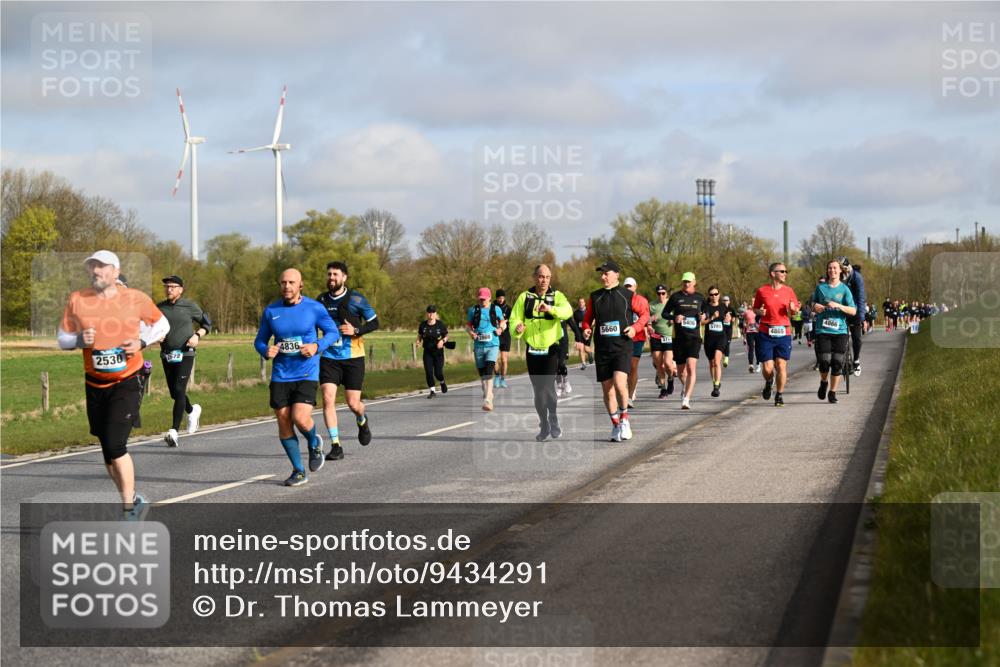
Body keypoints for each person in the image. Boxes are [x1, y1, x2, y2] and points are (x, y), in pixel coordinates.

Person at [58, 250, 170, 518]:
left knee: (116, 444)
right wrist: (78, 341)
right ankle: (131, 498)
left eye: (102, 267)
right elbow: (62, 338)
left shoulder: (135, 298)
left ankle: (129, 510)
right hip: (95, 384)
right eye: (92, 267)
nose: (96, 271)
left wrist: (142, 342)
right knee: (107, 450)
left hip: (127, 380)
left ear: (116, 272)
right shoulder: (78, 299)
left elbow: (162, 324)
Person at [255, 268, 340, 485]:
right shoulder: (271, 310)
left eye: (291, 282)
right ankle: (298, 470)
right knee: (284, 422)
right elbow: (260, 340)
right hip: (281, 374)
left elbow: (333, 333)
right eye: (283, 282)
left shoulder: (314, 308)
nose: (287, 286)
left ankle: (313, 442)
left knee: (300, 418)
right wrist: (266, 350)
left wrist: (316, 346)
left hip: (306, 372)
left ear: (300, 285)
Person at [317, 261, 379, 461]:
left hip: (353, 357)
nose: (331, 278)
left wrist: (356, 330)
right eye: (329, 274)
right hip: (329, 357)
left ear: (344, 277)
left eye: (335, 274)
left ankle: (362, 419)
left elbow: (375, 322)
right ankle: (336, 445)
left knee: (354, 404)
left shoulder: (356, 299)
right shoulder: (321, 300)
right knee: (328, 398)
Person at [581, 260, 648, 441]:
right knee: (607, 390)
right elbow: (587, 319)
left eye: (606, 273)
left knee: (619, 383)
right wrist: (586, 328)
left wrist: (636, 328)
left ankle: (625, 419)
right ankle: (615, 425)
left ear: (616, 274)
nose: (603, 277)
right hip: (603, 348)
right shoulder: (595, 297)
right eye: (601, 274)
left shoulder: (627, 295)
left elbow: (645, 314)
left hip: (622, 345)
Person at [508, 264, 573, 441]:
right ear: (534, 277)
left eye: (547, 277)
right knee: (538, 391)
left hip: (551, 348)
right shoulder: (524, 297)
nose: (543, 280)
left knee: (548, 387)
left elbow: (567, 312)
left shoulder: (556, 296)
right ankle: (543, 423)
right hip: (533, 350)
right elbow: (514, 319)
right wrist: (518, 328)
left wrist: (550, 309)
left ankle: (553, 418)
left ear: (550, 279)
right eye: (540, 276)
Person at [156, 275, 212, 447]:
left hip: (186, 352)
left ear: (180, 289)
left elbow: (207, 324)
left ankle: (173, 431)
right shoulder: (159, 308)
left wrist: (197, 335)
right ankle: (192, 410)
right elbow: (150, 326)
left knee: (180, 388)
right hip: (167, 354)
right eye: (167, 286)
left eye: (173, 286)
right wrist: (157, 334)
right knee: (175, 393)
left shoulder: (190, 306)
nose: (169, 289)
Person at [752, 262, 799, 407]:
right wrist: (760, 312)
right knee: (767, 368)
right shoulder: (762, 291)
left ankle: (779, 395)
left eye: (786, 271)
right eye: (782, 271)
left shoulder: (789, 291)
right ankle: (768, 381)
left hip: (783, 332)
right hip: (766, 332)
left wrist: (793, 310)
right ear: (773, 274)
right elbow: (755, 308)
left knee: (781, 365)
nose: (785, 274)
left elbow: (795, 310)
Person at [812, 259, 857, 403]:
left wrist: (839, 306)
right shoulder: (821, 288)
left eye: (835, 268)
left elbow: (853, 310)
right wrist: (816, 307)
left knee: (837, 363)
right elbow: (813, 305)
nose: (832, 270)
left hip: (840, 331)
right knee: (824, 362)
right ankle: (824, 382)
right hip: (823, 330)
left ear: (840, 271)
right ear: (827, 271)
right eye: (830, 268)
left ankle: (832, 392)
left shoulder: (844, 289)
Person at [665, 272, 706, 410]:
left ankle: (686, 399)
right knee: (682, 372)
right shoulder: (676, 297)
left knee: (691, 367)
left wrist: (704, 316)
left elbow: (707, 312)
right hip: (679, 338)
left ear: (694, 282)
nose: (686, 284)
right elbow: (665, 313)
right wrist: (674, 317)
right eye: (684, 282)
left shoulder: (700, 297)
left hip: (694, 338)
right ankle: (685, 386)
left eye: (689, 281)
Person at [467, 287, 507, 411]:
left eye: (484, 299)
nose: (482, 301)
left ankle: (488, 400)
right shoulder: (473, 310)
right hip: (479, 345)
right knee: (482, 373)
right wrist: (471, 333)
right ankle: (487, 392)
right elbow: (468, 326)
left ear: (489, 297)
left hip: (493, 344)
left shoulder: (496, 309)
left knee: (489, 370)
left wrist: (500, 329)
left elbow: (503, 322)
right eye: (480, 299)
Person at [623, 277, 650, 408]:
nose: (628, 289)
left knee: (633, 367)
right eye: (626, 286)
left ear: (635, 287)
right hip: (623, 338)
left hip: (637, 337)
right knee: (623, 368)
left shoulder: (641, 301)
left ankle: (629, 396)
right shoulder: (621, 300)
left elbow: (645, 317)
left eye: (630, 286)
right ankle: (626, 392)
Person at [838, 257, 866, 376]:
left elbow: (860, 298)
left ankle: (856, 360)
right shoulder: (835, 276)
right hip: (839, 309)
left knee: (857, 337)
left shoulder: (856, 277)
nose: (843, 272)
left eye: (845, 269)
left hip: (854, 309)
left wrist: (861, 317)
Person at [648, 284, 676, 398]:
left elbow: (679, 315)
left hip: (668, 336)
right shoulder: (651, 305)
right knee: (659, 364)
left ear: (667, 293)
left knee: (668, 364)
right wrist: (650, 321)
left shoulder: (672, 304)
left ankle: (670, 378)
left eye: (663, 293)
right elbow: (645, 318)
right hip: (656, 336)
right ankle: (663, 389)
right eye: (659, 293)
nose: (661, 295)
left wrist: (674, 320)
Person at [701, 286, 730, 397]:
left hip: (720, 338)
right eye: (711, 294)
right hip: (709, 338)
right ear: (709, 296)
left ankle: (716, 386)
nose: (714, 296)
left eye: (716, 294)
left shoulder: (723, 307)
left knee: (717, 361)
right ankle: (715, 382)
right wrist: (712, 318)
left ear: (719, 294)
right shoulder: (706, 307)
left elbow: (728, 319)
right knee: (711, 363)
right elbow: (702, 323)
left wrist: (728, 319)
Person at [417, 305, 449, 398]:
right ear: (427, 313)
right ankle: (432, 391)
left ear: (435, 314)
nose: (431, 314)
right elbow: (419, 335)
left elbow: (446, 336)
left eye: (433, 312)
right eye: (429, 312)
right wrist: (418, 342)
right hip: (427, 352)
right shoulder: (423, 325)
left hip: (438, 353)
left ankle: (442, 382)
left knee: (438, 373)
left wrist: (442, 341)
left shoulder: (440, 324)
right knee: (429, 372)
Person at [557, 313, 581, 397]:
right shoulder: (548, 311)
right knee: (555, 365)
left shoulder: (564, 312)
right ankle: (560, 386)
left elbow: (573, 326)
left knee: (561, 363)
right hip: (552, 342)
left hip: (563, 342)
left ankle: (566, 381)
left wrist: (578, 338)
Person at [493, 289, 513, 389]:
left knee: (504, 360)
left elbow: (512, 321)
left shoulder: (508, 309)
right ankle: (496, 376)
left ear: (504, 298)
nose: (500, 300)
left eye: (502, 298)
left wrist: (507, 322)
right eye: (499, 298)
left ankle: (503, 379)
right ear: (496, 298)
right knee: (494, 359)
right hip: (495, 335)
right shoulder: (492, 308)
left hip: (505, 336)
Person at [573, 297, 590, 370]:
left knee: (586, 348)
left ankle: (590, 353)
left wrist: (589, 327)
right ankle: (583, 364)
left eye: (582, 302)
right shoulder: (575, 313)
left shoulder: (588, 311)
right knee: (580, 348)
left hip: (588, 331)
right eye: (579, 302)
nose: (581, 304)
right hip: (579, 332)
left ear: (584, 303)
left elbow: (593, 321)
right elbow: (575, 324)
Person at [742, 306, 760, 373]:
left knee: (758, 349)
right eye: (752, 302)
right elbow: (744, 322)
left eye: (754, 302)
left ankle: (758, 364)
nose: (752, 304)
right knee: (751, 348)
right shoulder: (747, 312)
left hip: (758, 332)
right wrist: (744, 337)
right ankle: (751, 365)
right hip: (749, 332)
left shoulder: (759, 311)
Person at [721, 295, 736, 366]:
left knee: (727, 343)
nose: (725, 302)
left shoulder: (731, 309)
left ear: (729, 301)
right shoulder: (720, 308)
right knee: (722, 343)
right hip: (722, 328)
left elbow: (734, 317)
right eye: (724, 300)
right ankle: (724, 354)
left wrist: (732, 319)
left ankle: (726, 358)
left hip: (729, 328)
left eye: (726, 300)